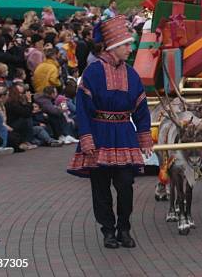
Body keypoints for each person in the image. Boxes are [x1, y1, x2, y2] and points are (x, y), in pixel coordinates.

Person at [67, 15, 153, 249]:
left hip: (124, 134)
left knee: (126, 185)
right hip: (99, 135)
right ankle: (108, 230)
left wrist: (144, 136)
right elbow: (83, 110)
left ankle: (124, 228)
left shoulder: (132, 74)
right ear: (114, 47)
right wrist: (86, 137)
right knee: (101, 188)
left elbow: (141, 108)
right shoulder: (93, 73)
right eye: (126, 44)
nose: (130, 48)